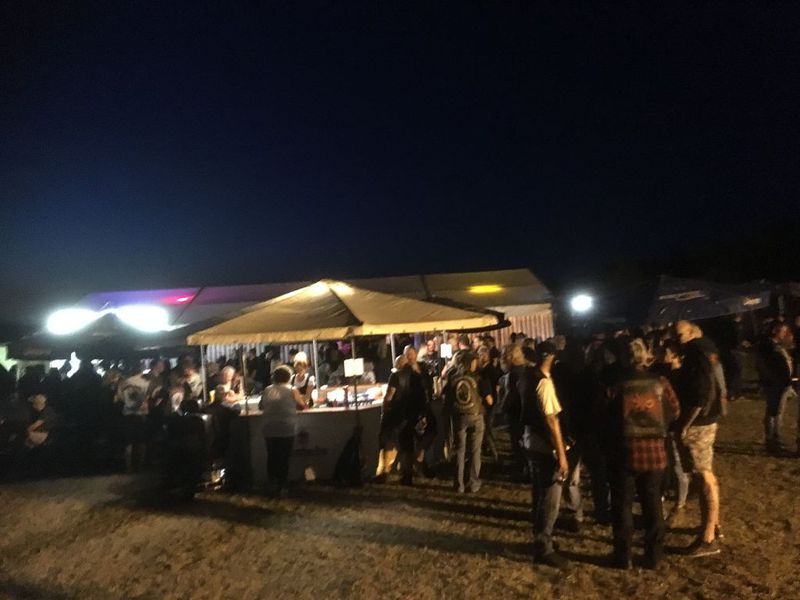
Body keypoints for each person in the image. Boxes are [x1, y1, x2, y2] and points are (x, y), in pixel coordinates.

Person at [605, 339, 680, 569]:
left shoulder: (618, 385)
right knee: (653, 504)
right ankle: (654, 555)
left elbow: (604, 414)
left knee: (622, 506)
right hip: (655, 452)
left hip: (625, 452)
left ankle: (623, 556)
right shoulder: (660, 382)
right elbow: (675, 410)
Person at [675, 320, 724, 557]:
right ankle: (713, 525)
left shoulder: (696, 354)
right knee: (705, 474)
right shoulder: (708, 351)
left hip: (699, 423)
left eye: (679, 335)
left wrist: (684, 424)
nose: (675, 340)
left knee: (703, 476)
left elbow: (700, 396)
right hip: (707, 419)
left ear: (693, 333)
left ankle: (708, 539)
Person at [520, 341, 570, 568]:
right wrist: (561, 454)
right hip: (544, 445)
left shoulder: (527, 377)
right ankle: (544, 546)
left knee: (539, 495)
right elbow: (551, 420)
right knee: (550, 499)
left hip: (530, 440)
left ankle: (541, 537)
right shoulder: (544, 383)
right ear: (552, 358)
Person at [445, 350, 490, 493]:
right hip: (476, 415)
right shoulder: (478, 378)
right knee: (475, 451)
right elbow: (489, 400)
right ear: (470, 363)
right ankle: (473, 483)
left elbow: (446, 398)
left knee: (459, 450)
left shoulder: (453, 379)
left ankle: (459, 484)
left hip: (459, 417)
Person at [259, 366, 307, 496]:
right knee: (284, 457)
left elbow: (261, 406)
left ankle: (272, 483)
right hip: (286, 427)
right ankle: (283, 485)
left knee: (272, 456)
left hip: (269, 427)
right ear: (288, 377)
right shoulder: (292, 389)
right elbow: (302, 406)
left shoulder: (267, 390)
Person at [757, 322, 795, 455]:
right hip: (775, 384)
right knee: (774, 412)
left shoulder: (778, 346)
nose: (784, 334)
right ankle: (772, 440)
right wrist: (772, 379)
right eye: (782, 331)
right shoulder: (768, 346)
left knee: (778, 412)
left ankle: (775, 438)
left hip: (782, 383)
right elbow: (764, 365)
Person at [477, 345, 501, 462]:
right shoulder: (489, 369)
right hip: (491, 400)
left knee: (487, 428)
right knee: (487, 427)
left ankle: (494, 452)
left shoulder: (488, 370)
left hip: (490, 401)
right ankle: (489, 448)